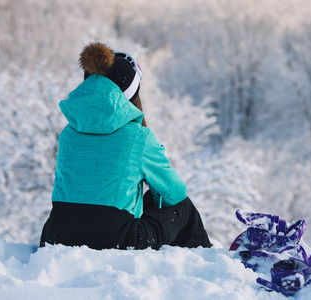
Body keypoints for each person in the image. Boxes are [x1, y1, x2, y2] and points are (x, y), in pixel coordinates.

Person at [40, 43, 211, 250]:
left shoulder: (68, 134)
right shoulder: (138, 137)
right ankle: (204, 263)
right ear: (129, 95)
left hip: (56, 236)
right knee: (183, 208)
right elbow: (175, 192)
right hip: (115, 240)